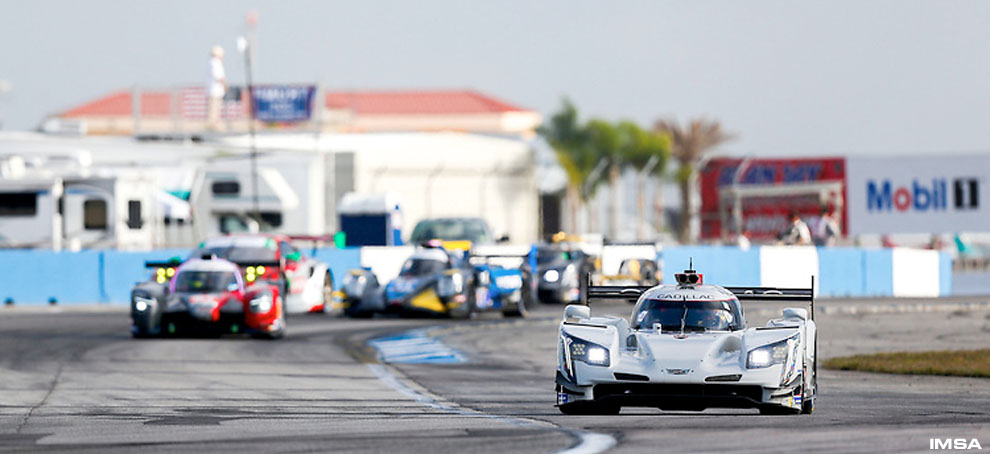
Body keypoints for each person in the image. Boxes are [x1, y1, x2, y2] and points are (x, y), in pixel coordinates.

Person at [207, 45, 227, 130]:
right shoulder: (215, 63)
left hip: (213, 90)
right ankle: (213, 125)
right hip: (215, 90)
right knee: (214, 108)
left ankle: (214, 124)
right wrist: (225, 85)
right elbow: (219, 76)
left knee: (215, 108)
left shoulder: (211, 62)